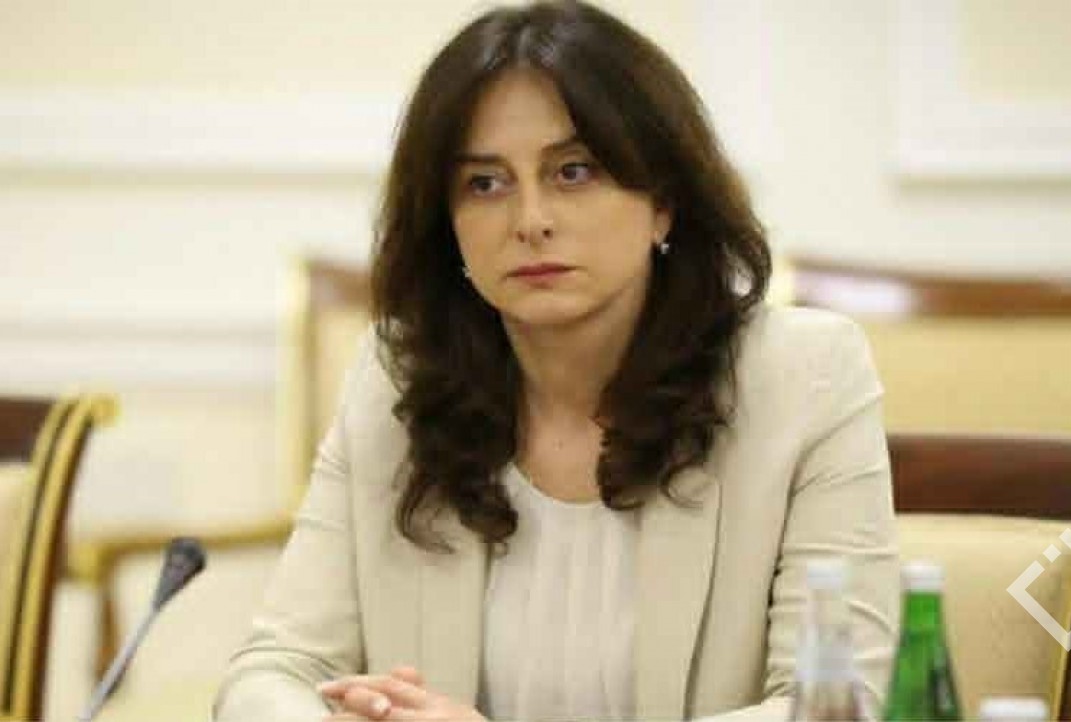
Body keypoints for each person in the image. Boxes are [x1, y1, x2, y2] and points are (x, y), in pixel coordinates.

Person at [214, 1, 899, 720]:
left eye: (573, 172)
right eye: (485, 184)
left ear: (663, 202)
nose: (530, 220)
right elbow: (274, 670)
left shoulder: (805, 379)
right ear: (448, 225)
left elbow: (834, 707)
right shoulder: (399, 383)